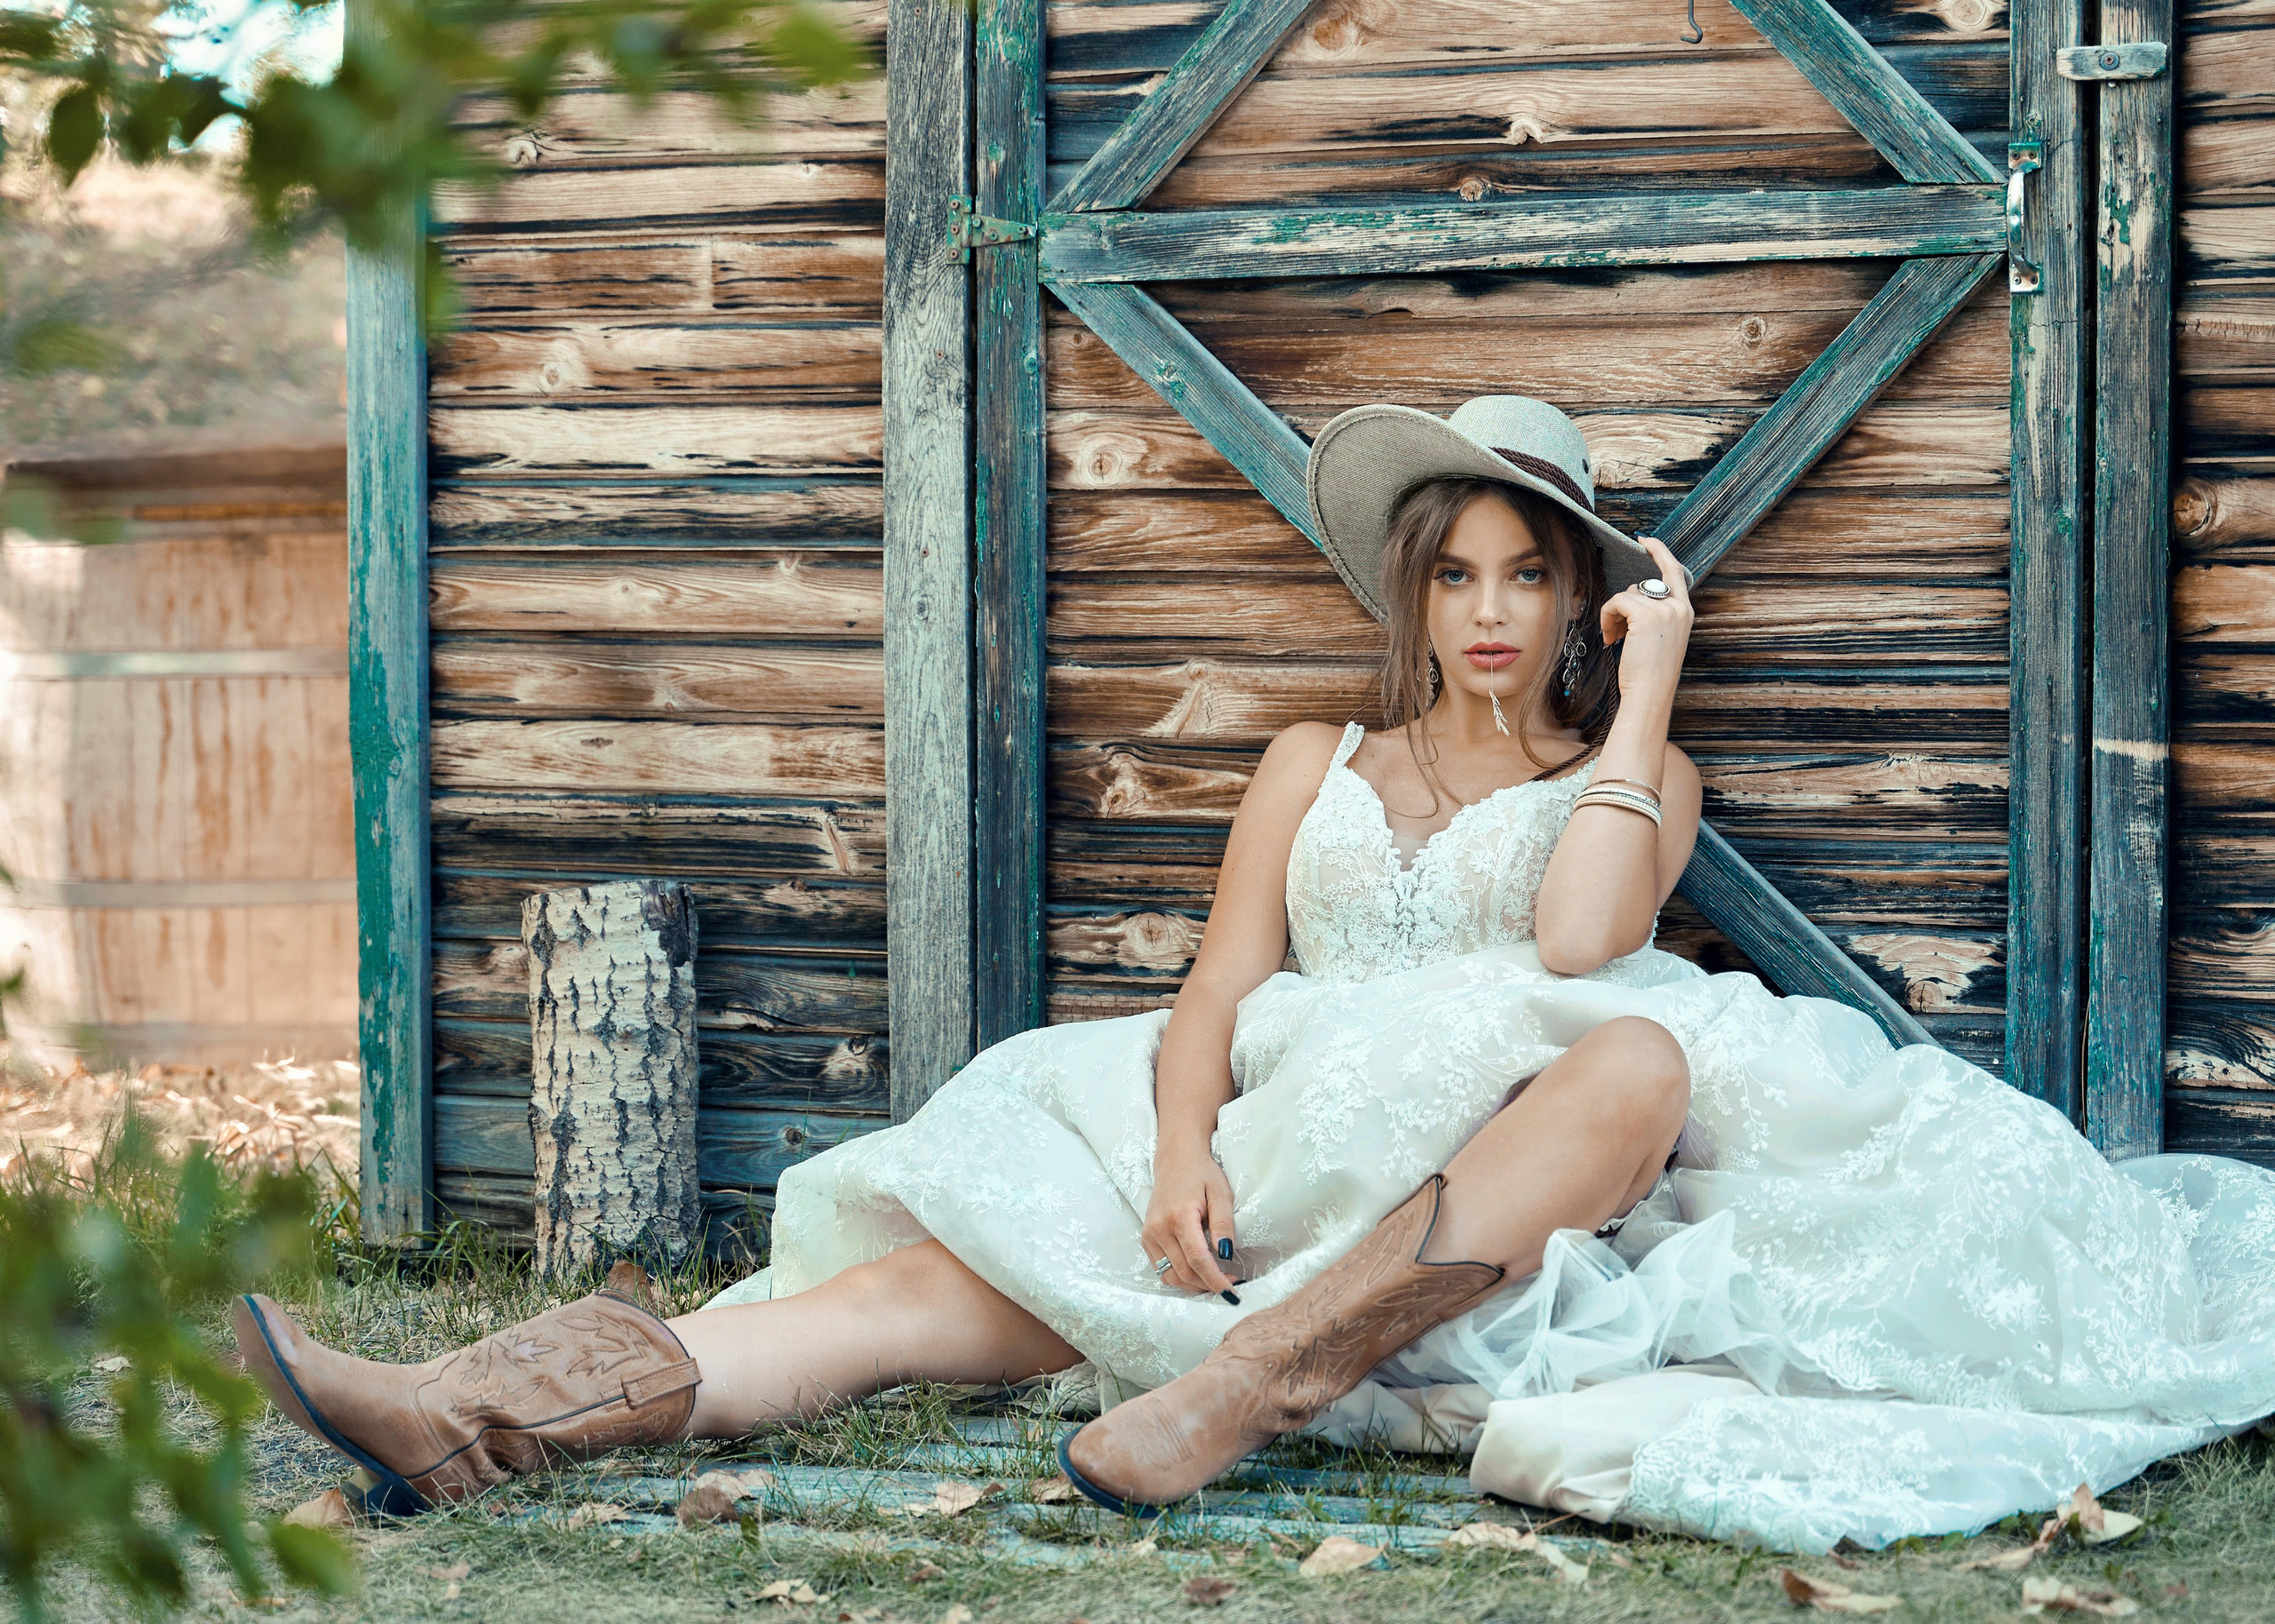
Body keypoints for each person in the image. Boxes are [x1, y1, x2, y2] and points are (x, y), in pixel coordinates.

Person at [235, 396, 2275, 1554]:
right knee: (894, 1291)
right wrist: (1166, 1153)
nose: (1487, 610)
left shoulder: (1631, 774)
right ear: (1421, 587)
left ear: (1578, 592)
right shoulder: (1315, 757)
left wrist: (1652, 685)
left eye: (1530, 573)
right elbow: (1216, 976)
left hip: (1478, 1175)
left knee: (1638, 1044)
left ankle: (1247, 1388)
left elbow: (1571, 941)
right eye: (1457, 571)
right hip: (1268, 1136)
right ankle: (463, 1411)